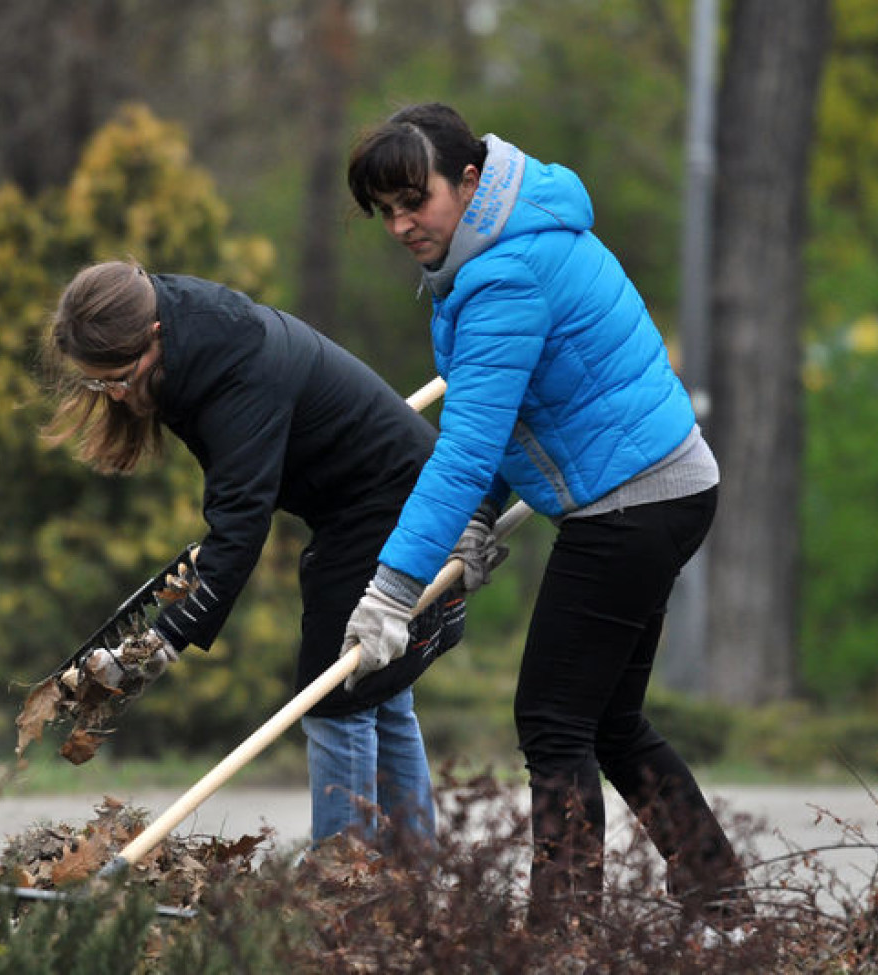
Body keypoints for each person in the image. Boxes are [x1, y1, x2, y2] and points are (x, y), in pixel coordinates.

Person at [341, 103, 753, 930]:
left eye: (413, 200)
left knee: (552, 720)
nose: (400, 223)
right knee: (608, 721)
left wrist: (392, 588)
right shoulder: (499, 245)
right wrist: (478, 518)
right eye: (385, 210)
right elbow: (507, 420)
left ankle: (561, 938)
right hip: (664, 484)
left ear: (467, 180)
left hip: (631, 502)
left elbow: (462, 449)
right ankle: (725, 903)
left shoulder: (502, 276)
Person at [45, 259, 473, 848]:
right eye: (98, 385)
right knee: (377, 690)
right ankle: (416, 888)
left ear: (151, 338)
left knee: (334, 695)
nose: (113, 395)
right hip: (360, 503)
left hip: (392, 505)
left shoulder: (231, 369)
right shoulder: (171, 323)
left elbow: (243, 525)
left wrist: (162, 641)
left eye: (114, 378)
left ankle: (340, 893)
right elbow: (239, 501)